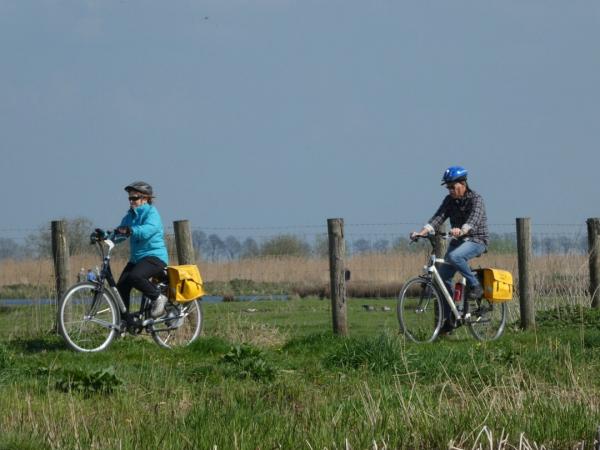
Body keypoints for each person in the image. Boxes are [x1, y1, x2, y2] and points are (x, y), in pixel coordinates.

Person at [410, 166, 489, 332]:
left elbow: (473, 220)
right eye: (448, 187)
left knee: (454, 256)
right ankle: (450, 318)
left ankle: (475, 285)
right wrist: (421, 232)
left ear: (463, 184)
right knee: (443, 278)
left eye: (453, 187)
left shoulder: (476, 199)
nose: (451, 190)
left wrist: (462, 229)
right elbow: (438, 218)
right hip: (458, 241)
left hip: (476, 240)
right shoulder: (449, 201)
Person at [113, 181, 169, 319]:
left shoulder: (152, 213)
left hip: (154, 257)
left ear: (146, 198)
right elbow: (120, 233)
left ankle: (158, 298)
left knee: (135, 277)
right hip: (137, 259)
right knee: (121, 287)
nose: (131, 201)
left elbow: (147, 230)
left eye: (135, 198)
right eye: (129, 198)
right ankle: (124, 323)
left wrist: (131, 230)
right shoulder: (130, 216)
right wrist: (106, 236)